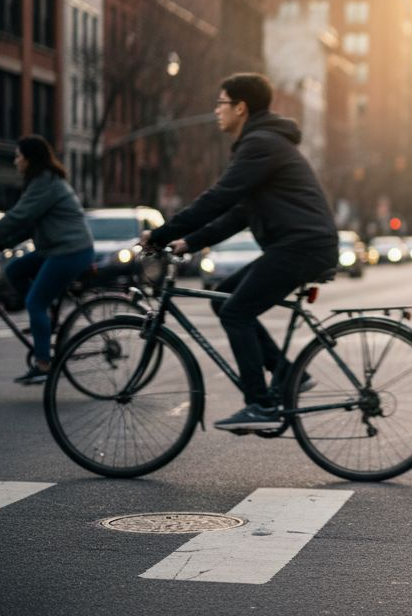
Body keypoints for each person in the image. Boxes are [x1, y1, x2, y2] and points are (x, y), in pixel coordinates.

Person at [143, 73, 338, 431]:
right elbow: (239, 213)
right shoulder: (265, 143)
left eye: (221, 104)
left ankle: (260, 404)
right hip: (297, 245)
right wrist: (189, 242)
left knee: (236, 313)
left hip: (301, 247)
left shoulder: (260, 144)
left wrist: (161, 233)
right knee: (223, 298)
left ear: (240, 107)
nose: (216, 111)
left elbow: (219, 197)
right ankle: (288, 373)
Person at [0, 136, 95, 384]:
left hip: (70, 251)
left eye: (18, 156)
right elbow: (28, 224)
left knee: (35, 302)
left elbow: (17, 217)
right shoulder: (41, 182)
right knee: (15, 269)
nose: (15, 161)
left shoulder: (46, 183)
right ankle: (45, 321)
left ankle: (43, 363)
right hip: (56, 248)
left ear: (29, 159)